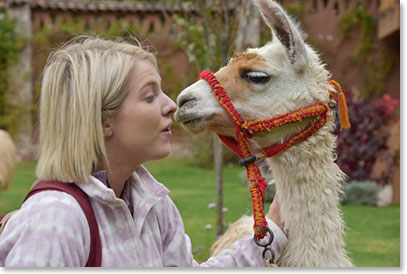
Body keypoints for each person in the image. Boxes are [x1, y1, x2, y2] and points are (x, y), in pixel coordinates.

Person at [0, 36, 287, 267]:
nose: (171, 105)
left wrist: (270, 231)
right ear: (103, 121)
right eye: (150, 96)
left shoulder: (152, 206)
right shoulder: (54, 221)